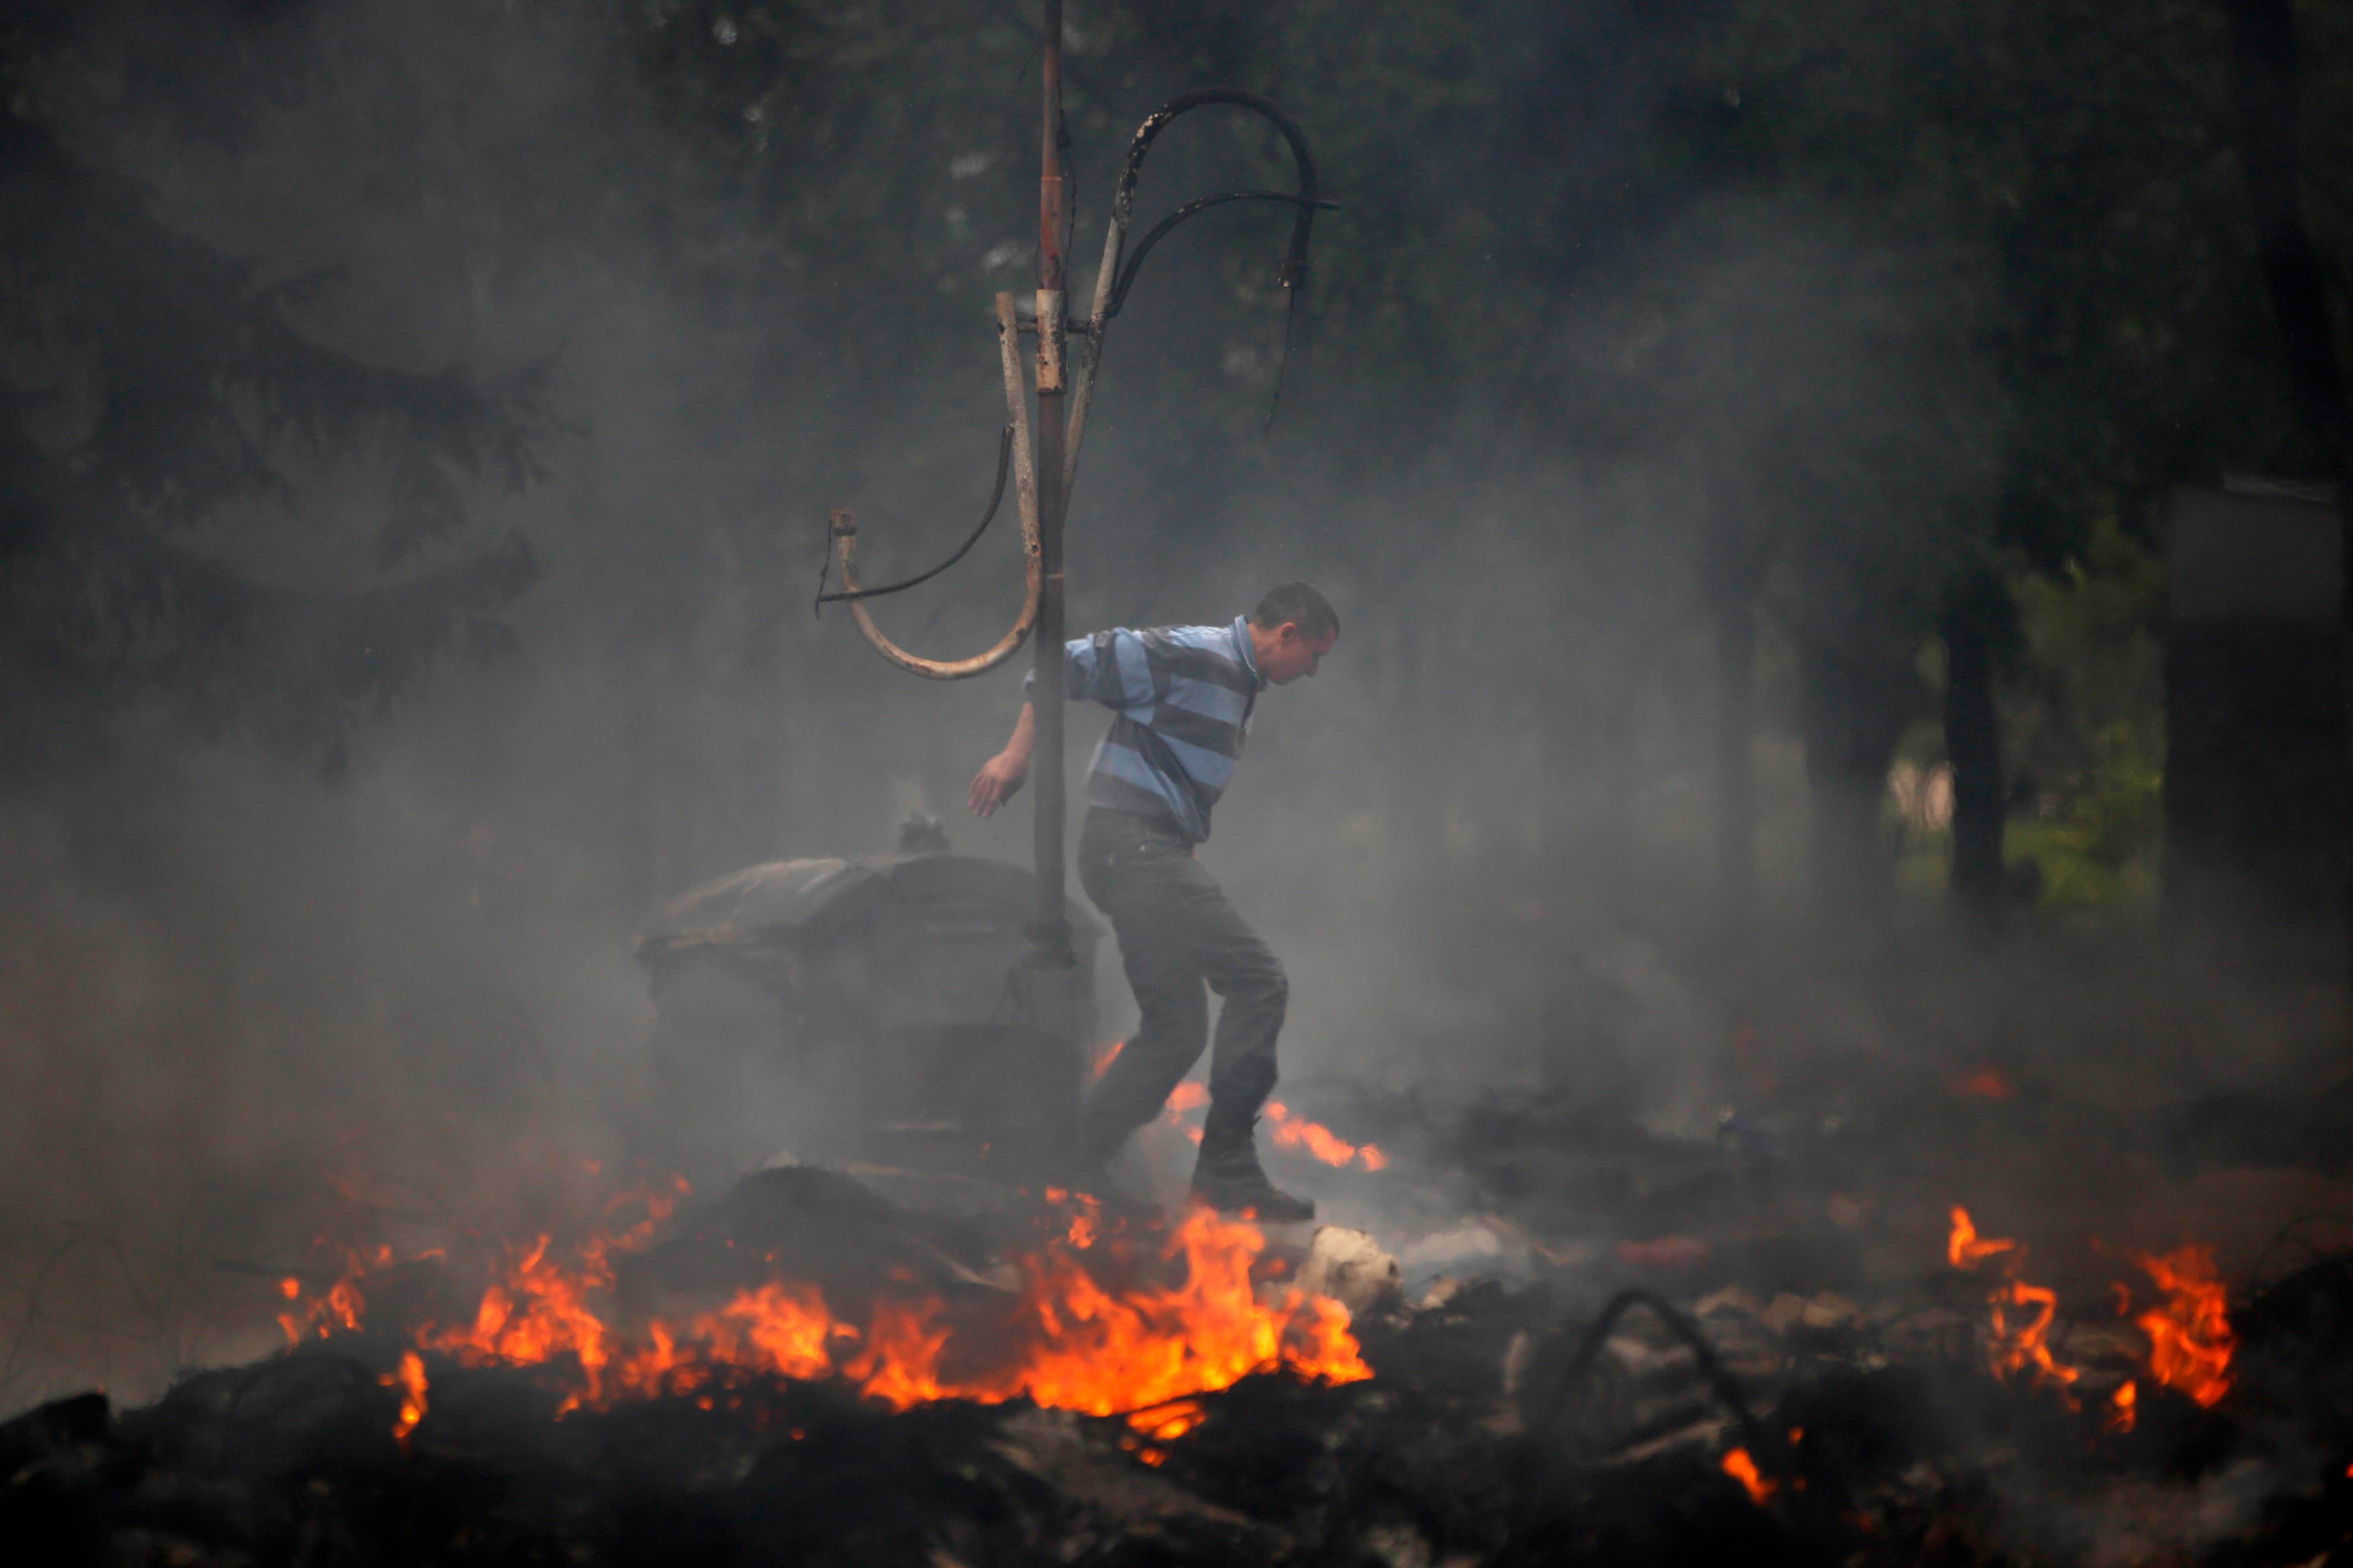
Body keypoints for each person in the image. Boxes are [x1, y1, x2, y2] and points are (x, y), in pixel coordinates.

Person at [969, 582, 1339, 1221]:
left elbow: (1168, 771)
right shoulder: (1193, 654)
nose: (1312, 671)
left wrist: (1182, 840)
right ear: (1287, 634)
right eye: (1313, 655)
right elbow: (1058, 667)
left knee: (1177, 1028)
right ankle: (1226, 1167)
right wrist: (1015, 757)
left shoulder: (1240, 684)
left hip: (1147, 851)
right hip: (1132, 851)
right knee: (1259, 982)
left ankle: (1075, 1162)